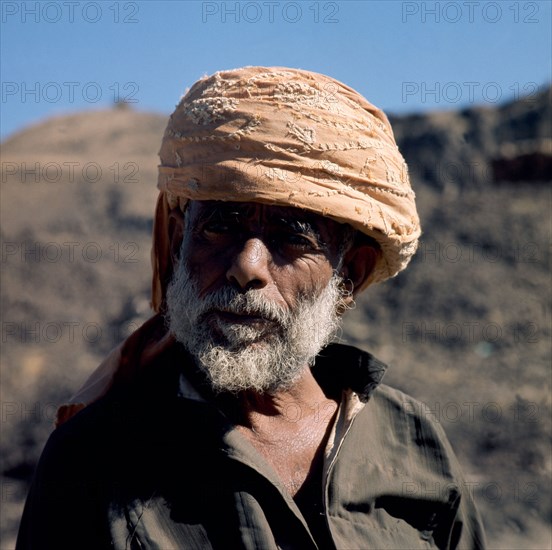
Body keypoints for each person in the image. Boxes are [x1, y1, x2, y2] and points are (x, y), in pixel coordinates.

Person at [16, 66, 485, 549]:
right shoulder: (94, 459)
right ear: (179, 245)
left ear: (351, 275)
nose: (246, 266)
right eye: (220, 226)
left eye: (291, 238)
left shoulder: (411, 441)